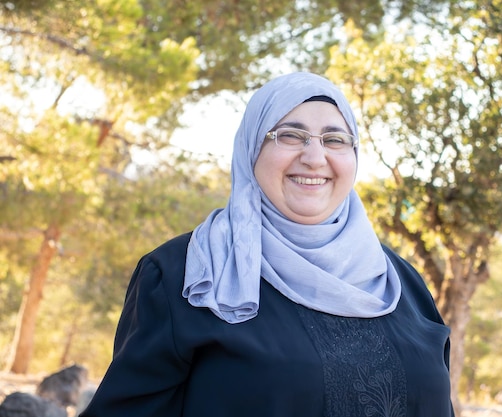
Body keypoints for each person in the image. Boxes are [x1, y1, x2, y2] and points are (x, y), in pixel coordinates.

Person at [79, 72, 454, 417]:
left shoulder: (402, 281)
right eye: (290, 135)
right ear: (251, 149)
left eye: (335, 139)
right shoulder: (184, 274)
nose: (314, 157)